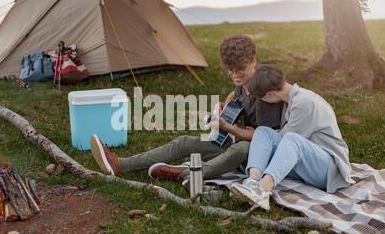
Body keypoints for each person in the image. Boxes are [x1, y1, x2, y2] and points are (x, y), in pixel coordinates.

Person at [90, 35, 283, 182]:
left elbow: (263, 138)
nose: (235, 75)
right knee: (184, 142)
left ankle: (187, 173)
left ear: (253, 61)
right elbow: (236, 98)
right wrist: (225, 106)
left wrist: (228, 127)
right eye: (230, 70)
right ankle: (121, 165)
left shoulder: (265, 91)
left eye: (239, 69)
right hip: (233, 145)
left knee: (241, 148)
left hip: (257, 157)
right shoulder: (242, 84)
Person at [230, 65, 354, 210]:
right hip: (307, 163)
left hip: (329, 169)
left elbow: (286, 142)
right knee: (263, 131)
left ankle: (263, 190)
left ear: (269, 94)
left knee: (291, 138)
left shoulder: (304, 103)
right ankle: (253, 181)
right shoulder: (289, 100)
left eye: (262, 99)